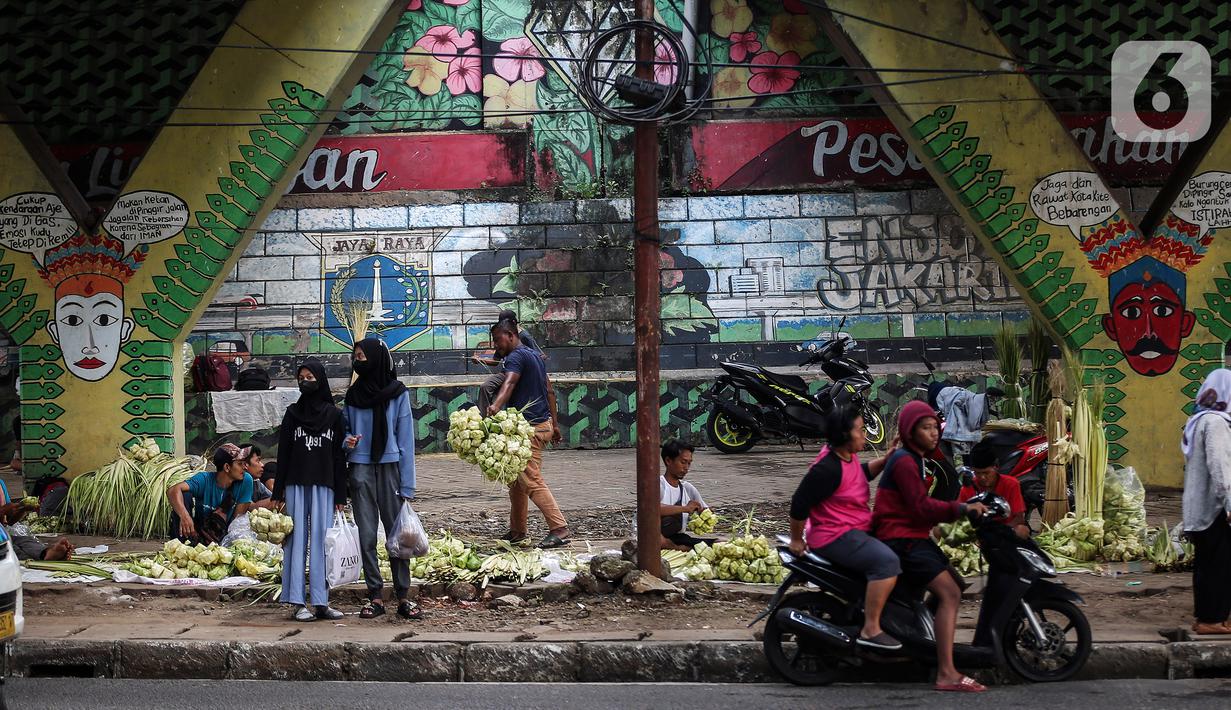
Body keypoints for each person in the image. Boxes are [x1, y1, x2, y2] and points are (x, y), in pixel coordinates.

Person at [873, 400, 988, 693]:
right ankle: (947, 673)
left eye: (935, 427)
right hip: (902, 539)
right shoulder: (904, 462)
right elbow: (921, 507)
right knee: (949, 592)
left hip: (913, 535)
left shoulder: (916, 458)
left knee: (957, 584)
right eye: (926, 428)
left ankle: (923, 640)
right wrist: (962, 509)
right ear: (911, 432)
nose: (934, 433)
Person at [789, 406, 900, 650]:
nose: (865, 435)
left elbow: (857, 476)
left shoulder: (847, 457)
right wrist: (796, 540)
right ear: (844, 435)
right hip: (834, 535)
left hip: (854, 528)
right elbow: (799, 503)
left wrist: (885, 460)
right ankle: (871, 629)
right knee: (887, 563)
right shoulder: (826, 468)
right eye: (860, 430)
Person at [343, 337, 420, 621]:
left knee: (397, 535)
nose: (358, 361)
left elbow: (406, 440)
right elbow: (345, 432)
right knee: (365, 536)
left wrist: (408, 485)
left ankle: (403, 595)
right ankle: (375, 595)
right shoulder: (352, 396)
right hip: (360, 469)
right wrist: (347, 442)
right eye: (356, 357)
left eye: (362, 356)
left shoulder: (398, 394)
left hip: (390, 470)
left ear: (375, 358)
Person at [274, 359, 348, 622]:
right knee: (295, 542)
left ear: (320, 380)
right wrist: (278, 491)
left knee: (321, 543)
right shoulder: (292, 414)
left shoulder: (335, 415)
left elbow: (340, 458)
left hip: (324, 485)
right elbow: (283, 454)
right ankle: (296, 600)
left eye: (310, 377)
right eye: (301, 377)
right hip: (295, 484)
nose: (305, 382)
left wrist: (341, 494)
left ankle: (321, 601)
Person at [487, 321, 570, 548]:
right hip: (542, 424)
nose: (496, 345)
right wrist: (554, 424)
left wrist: (495, 406)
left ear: (511, 335)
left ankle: (559, 528)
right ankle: (517, 531)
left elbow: (509, 383)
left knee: (531, 480)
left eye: (497, 339)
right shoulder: (534, 355)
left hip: (530, 429)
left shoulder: (515, 357)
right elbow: (549, 390)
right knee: (516, 482)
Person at [1181, 368, 1231, 635]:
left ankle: (1210, 617)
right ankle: (1211, 620)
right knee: (1218, 566)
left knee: (1208, 565)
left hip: (1198, 508)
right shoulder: (1216, 423)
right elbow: (1220, 467)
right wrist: (1230, 503)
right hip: (1214, 509)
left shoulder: (1199, 419)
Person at [167, 443, 255, 542]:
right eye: (240, 464)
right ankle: (180, 543)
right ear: (227, 467)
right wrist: (185, 516)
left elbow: (237, 521)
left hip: (226, 535)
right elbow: (173, 490)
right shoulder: (205, 479)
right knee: (184, 495)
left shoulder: (245, 481)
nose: (245, 467)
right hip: (201, 532)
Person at [475, 310, 546, 414]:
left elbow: (541, 356)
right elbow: (496, 360)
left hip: (521, 371)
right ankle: (484, 418)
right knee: (486, 387)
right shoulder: (502, 336)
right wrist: (479, 359)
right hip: (508, 371)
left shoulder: (523, 337)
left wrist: (528, 367)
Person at [958, 440, 1029, 539]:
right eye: (978, 473)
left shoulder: (1011, 484)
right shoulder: (967, 488)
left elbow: (1019, 518)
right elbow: (959, 518)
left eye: (986, 473)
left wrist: (998, 533)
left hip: (1005, 531)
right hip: (978, 534)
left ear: (996, 467)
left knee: (1022, 530)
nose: (982, 477)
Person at [659, 440, 712, 551]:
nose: (686, 467)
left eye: (689, 463)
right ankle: (680, 549)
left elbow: (705, 509)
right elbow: (653, 509)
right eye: (683, 462)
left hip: (679, 539)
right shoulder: (659, 485)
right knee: (661, 541)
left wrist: (705, 515)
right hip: (657, 538)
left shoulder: (687, 488)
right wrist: (685, 509)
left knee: (720, 543)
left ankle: (681, 548)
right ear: (668, 460)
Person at [244, 445, 277, 509]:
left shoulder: (256, 482)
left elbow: (271, 497)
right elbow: (250, 507)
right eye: (258, 461)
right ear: (245, 464)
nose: (262, 465)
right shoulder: (238, 483)